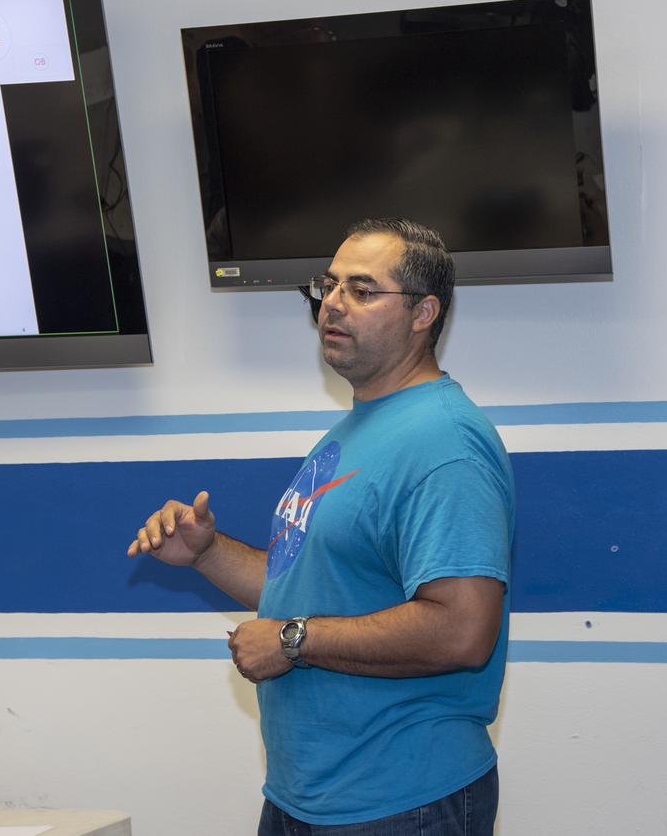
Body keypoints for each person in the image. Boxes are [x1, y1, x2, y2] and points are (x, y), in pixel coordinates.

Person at [128, 218, 514, 835]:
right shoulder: (357, 429)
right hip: (304, 797)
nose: (332, 304)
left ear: (424, 313)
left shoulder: (444, 443)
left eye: (362, 290)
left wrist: (290, 640)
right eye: (328, 286)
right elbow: (314, 588)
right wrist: (206, 554)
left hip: (400, 802)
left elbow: (462, 629)